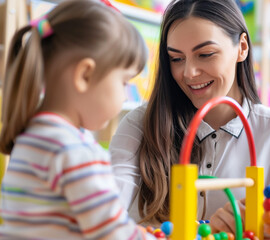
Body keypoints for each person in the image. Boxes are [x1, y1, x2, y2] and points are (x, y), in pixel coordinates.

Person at [109, 0, 270, 229]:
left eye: (206, 54)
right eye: (176, 59)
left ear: (242, 48)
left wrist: (260, 226)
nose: (189, 73)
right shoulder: (140, 124)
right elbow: (108, 206)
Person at [0, 0, 155, 239]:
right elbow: (112, 233)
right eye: (124, 82)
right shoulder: (74, 150)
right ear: (85, 75)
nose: (125, 95)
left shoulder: (31, 137)